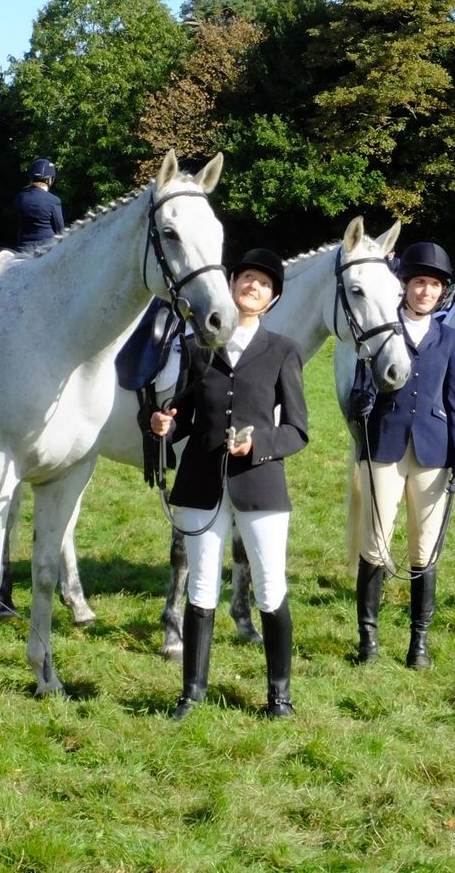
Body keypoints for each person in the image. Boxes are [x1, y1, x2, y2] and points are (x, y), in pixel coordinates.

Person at [151, 248, 308, 719]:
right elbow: (182, 412)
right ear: (233, 283)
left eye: (263, 282)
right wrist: (163, 424)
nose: (252, 286)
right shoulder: (201, 347)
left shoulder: (283, 350)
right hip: (200, 483)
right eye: (246, 278)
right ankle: (192, 693)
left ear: (273, 297)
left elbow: (297, 431)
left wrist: (257, 444)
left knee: (269, 588)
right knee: (201, 587)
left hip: (260, 485)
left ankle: (279, 695)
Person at [349, 242, 455, 669]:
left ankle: (419, 643)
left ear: (441, 292)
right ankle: (369, 640)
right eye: (419, 282)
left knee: (425, 549)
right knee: (375, 546)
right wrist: (360, 402)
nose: (425, 291)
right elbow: (359, 388)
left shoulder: (450, 338)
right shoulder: (381, 329)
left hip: (433, 452)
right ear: (405, 285)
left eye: (433, 285)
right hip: (384, 446)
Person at [13, 157, 65, 251]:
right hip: (46, 249)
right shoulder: (53, 201)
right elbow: (60, 231)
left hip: (22, 248)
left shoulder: (19, 198)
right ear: (49, 180)